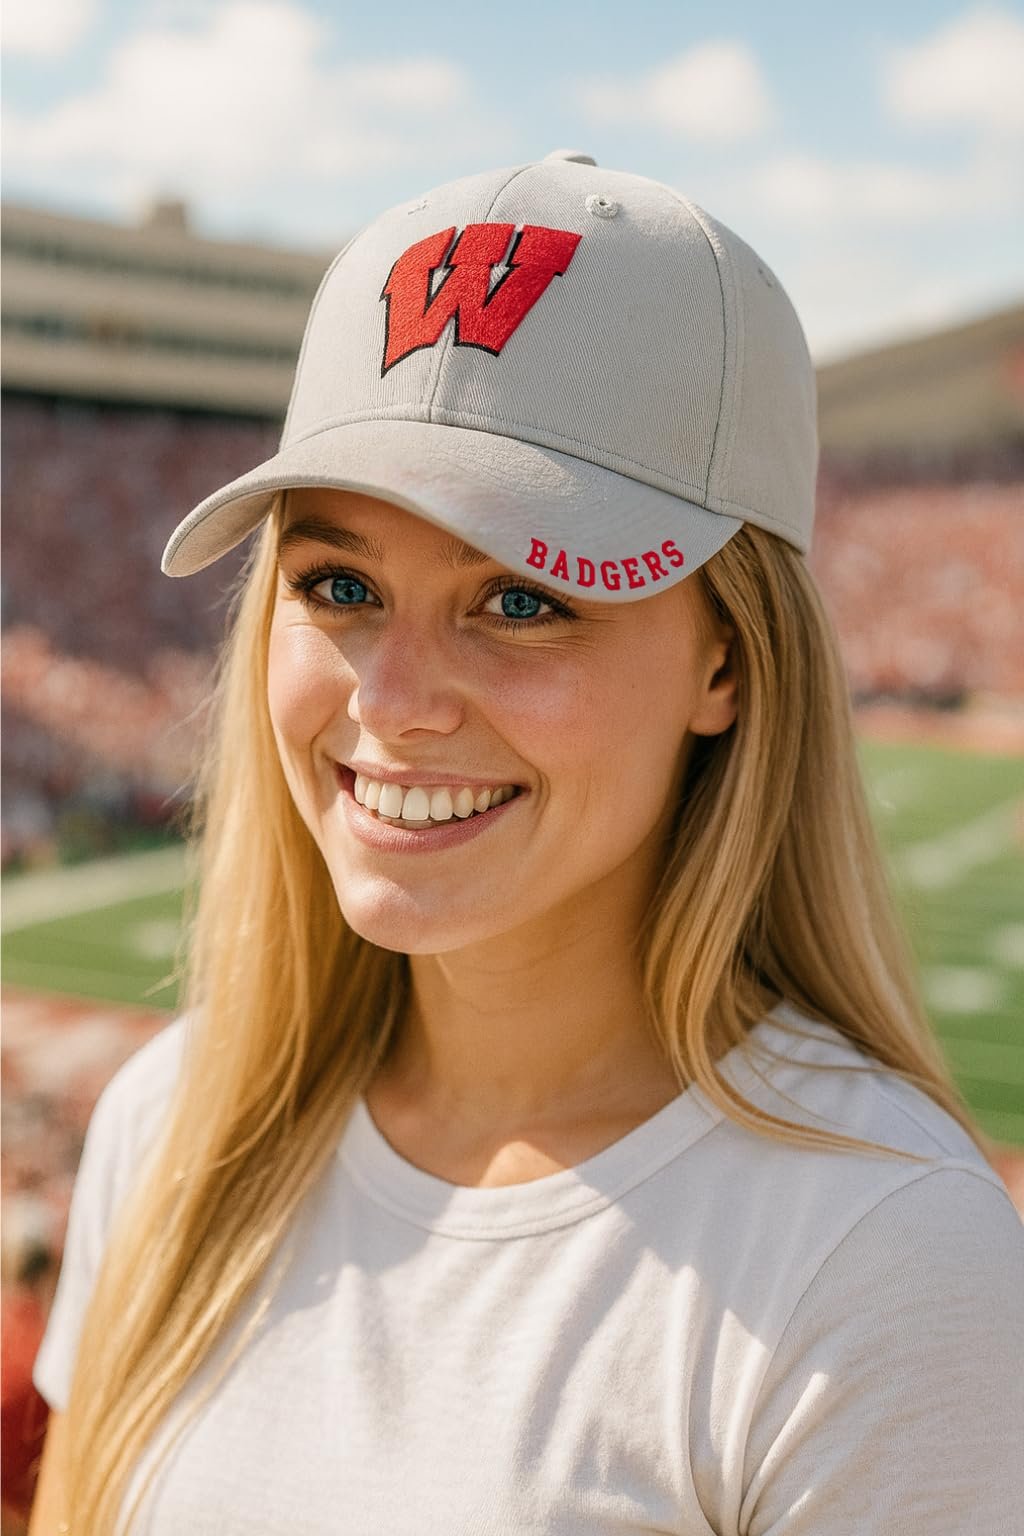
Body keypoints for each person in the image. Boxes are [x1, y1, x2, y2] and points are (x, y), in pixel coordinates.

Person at [29, 150, 1024, 1535]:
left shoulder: (884, 1265)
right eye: (340, 584)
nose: (390, 703)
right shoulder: (176, 1118)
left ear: (727, 663)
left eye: (522, 599)